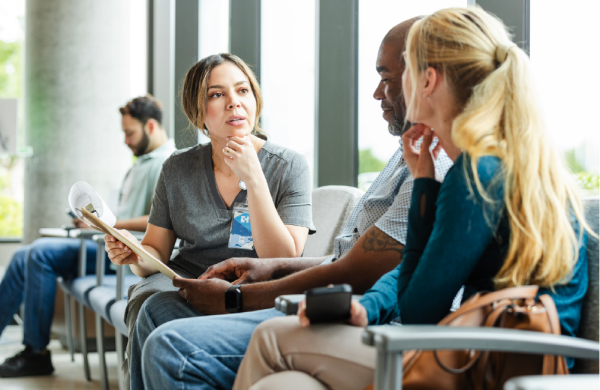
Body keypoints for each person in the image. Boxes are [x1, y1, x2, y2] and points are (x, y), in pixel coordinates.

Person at [232, 7, 591, 390]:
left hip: (491, 364)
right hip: (485, 352)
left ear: (427, 80)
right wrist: (366, 306)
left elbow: (421, 310)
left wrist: (423, 188)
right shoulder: (503, 161)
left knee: (271, 337)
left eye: (400, 74)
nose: (385, 90)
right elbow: (419, 270)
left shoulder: (476, 176)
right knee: (285, 385)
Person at [135, 18, 455, 390]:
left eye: (386, 78)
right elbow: (357, 262)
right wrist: (269, 268)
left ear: (427, 80)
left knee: (172, 347)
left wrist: (238, 298)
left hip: (372, 321)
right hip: (347, 304)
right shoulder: (411, 154)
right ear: (198, 110)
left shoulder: (438, 164)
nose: (375, 93)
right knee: (154, 309)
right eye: (216, 94)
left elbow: (368, 272)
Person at [102, 53, 315, 388]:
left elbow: (286, 258)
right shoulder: (176, 168)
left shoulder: (289, 166)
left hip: (256, 286)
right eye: (217, 95)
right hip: (186, 279)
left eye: (243, 91)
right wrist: (133, 256)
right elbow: (155, 252)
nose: (234, 103)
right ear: (198, 111)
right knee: (149, 303)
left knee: (157, 311)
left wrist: (254, 179)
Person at [0, 94, 176, 378]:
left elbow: (160, 221)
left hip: (133, 252)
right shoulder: (141, 164)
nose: (126, 140)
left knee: (39, 253)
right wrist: (97, 221)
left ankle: (36, 354)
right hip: (111, 241)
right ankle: (34, 351)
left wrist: (113, 222)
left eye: (129, 133)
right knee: (24, 254)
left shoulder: (167, 163)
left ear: (151, 126)